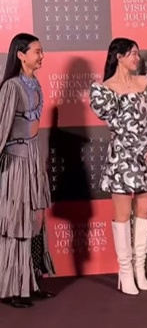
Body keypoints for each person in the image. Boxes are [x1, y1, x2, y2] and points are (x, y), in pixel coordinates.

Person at [89, 38, 147, 295]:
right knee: (122, 217)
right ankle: (125, 272)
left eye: (138, 53)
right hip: (122, 159)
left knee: (144, 213)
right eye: (132, 53)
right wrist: (141, 148)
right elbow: (117, 127)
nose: (137, 58)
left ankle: (139, 270)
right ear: (119, 56)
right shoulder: (103, 89)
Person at [0, 33, 55, 308]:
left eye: (41, 51)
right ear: (21, 55)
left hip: (33, 158)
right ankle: (12, 288)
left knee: (34, 221)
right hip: (17, 161)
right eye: (37, 51)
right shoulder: (11, 87)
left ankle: (30, 283)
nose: (41, 56)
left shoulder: (34, 82)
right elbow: (1, 127)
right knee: (16, 224)